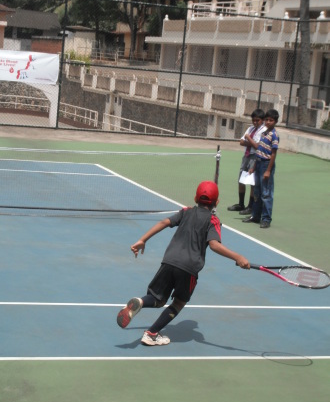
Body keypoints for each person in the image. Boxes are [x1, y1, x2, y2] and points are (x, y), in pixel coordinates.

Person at [117, 181, 250, 346]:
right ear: (217, 202)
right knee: (179, 302)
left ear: (195, 198)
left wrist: (142, 240)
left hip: (169, 260)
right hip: (189, 268)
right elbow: (214, 245)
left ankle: (141, 301)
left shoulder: (186, 212)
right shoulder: (213, 220)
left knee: (157, 299)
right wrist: (238, 257)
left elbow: (164, 222)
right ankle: (151, 334)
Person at [242, 109, 280, 229]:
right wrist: (254, 167)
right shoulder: (264, 133)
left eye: (271, 120)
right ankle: (255, 216)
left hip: (266, 164)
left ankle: (266, 219)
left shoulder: (274, 135)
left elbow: (273, 154)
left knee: (266, 194)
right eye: (267, 120)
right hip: (258, 163)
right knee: (257, 192)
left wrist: (268, 170)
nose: (268, 122)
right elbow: (259, 151)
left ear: (275, 121)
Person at [227, 108, 266, 215]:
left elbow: (257, 146)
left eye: (257, 120)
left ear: (262, 120)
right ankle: (241, 204)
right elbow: (241, 142)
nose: (255, 122)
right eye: (253, 120)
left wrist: (248, 138)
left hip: (255, 157)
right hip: (246, 155)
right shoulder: (250, 128)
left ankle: (250, 206)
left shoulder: (263, 131)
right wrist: (250, 141)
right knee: (241, 179)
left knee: (251, 182)